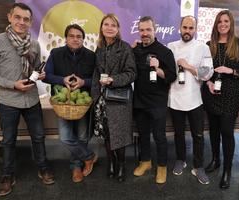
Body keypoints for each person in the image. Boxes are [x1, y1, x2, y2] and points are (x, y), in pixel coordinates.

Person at [0, 3, 54, 196]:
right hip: (8, 101)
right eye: (18, 17)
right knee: (8, 141)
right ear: (10, 17)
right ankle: (7, 175)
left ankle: (43, 167)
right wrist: (13, 84)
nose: (22, 22)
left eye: (26, 19)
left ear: (30, 22)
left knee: (38, 137)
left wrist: (42, 73)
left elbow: (37, 67)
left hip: (31, 99)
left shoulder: (34, 44)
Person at [201, 10, 239, 189]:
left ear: (230, 23)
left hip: (231, 95)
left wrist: (231, 71)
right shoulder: (209, 45)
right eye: (219, 22)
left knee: (226, 131)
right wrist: (207, 81)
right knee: (214, 130)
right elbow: (204, 70)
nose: (222, 24)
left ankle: (227, 170)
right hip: (212, 93)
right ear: (216, 25)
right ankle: (215, 160)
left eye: (225, 21)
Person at [43, 24, 97, 183]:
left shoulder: (91, 56)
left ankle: (76, 167)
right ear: (66, 38)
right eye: (72, 36)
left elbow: (96, 80)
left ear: (83, 39)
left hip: (83, 103)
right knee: (66, 137)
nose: (75, 39)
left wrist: (83, 82)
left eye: (79, 36)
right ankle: (89, 156)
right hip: (64, 103)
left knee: (82, 136)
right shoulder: (56, 53)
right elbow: (46, 76)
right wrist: (61, 80)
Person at [167, 16, 213, 185]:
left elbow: (208, 73)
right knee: (178, 133)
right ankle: (180, 159)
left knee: (198, 135)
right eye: (185, 27)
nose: (187, 31)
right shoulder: (171, 47)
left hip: (195, 99)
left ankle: (198, 166)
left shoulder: (203, 48)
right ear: (179, 28)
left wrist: (188, 66)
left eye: (191, 28)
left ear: (195, 29)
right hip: (175, 98)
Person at [91, 13, 136, 182]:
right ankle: (111, 162)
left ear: (117, 29)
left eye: (113, 25)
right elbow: (95, 72)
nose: (109, 28)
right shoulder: (99, 48)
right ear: (101, 28)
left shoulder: (124, 47)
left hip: (119, 98)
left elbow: (132, 73)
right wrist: (95, 94)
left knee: (120, 134)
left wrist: (113, 80)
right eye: (106, 24)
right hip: (102, 98)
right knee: (107, 134)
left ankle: (122, 165)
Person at [133, 16, 176, 184]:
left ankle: (162, 167)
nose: (145, 33)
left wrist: (158, 69)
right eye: (142, 30)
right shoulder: (135, 50)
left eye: (148, 30)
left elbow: (171, 76)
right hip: (139, 100)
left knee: (159, 136)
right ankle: (145, 162)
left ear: (154, 30)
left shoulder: (165, 52)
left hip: (157, 101)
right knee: (143, 134)